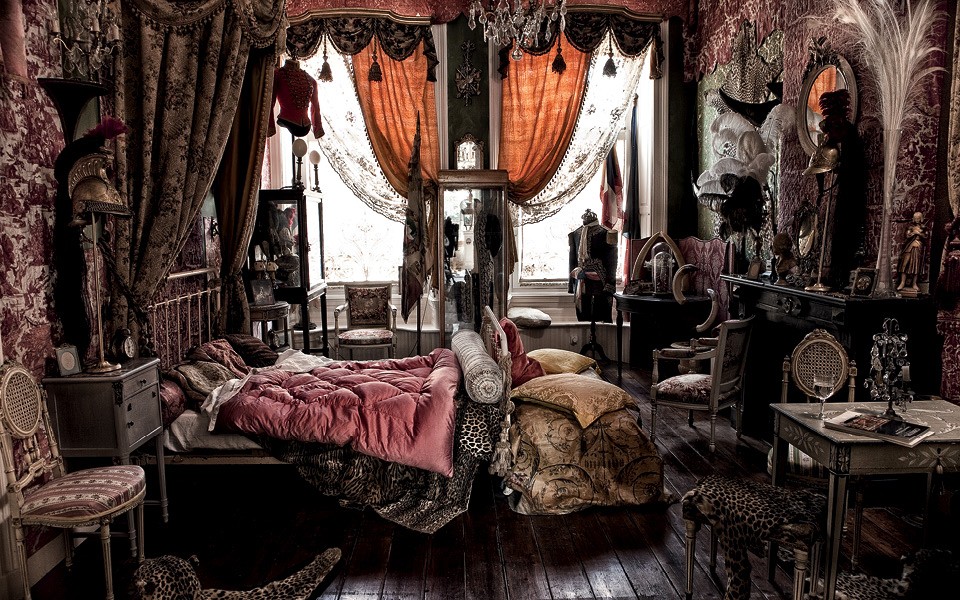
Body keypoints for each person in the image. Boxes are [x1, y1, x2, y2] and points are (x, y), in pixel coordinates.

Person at [269, 58, 324, 139]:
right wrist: (270, 126)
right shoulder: (277, 75)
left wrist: (317, 128)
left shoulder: (311, 80)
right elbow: (270, 103)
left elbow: (315, 107)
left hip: (306, 125)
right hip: (287, 121)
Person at [897, 211, 927, 296]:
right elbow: (907, 235)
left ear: (921, 218)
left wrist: (919, 233)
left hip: (918, 246)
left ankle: (914, 283)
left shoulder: (923, 227)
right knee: (904, 264)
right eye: (915, 218)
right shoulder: (910, 226)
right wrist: (914, 232)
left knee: (916, 265)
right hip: (909, 246)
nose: (917, 219)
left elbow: (926, 236)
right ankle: (902, 282)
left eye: (918, 218)